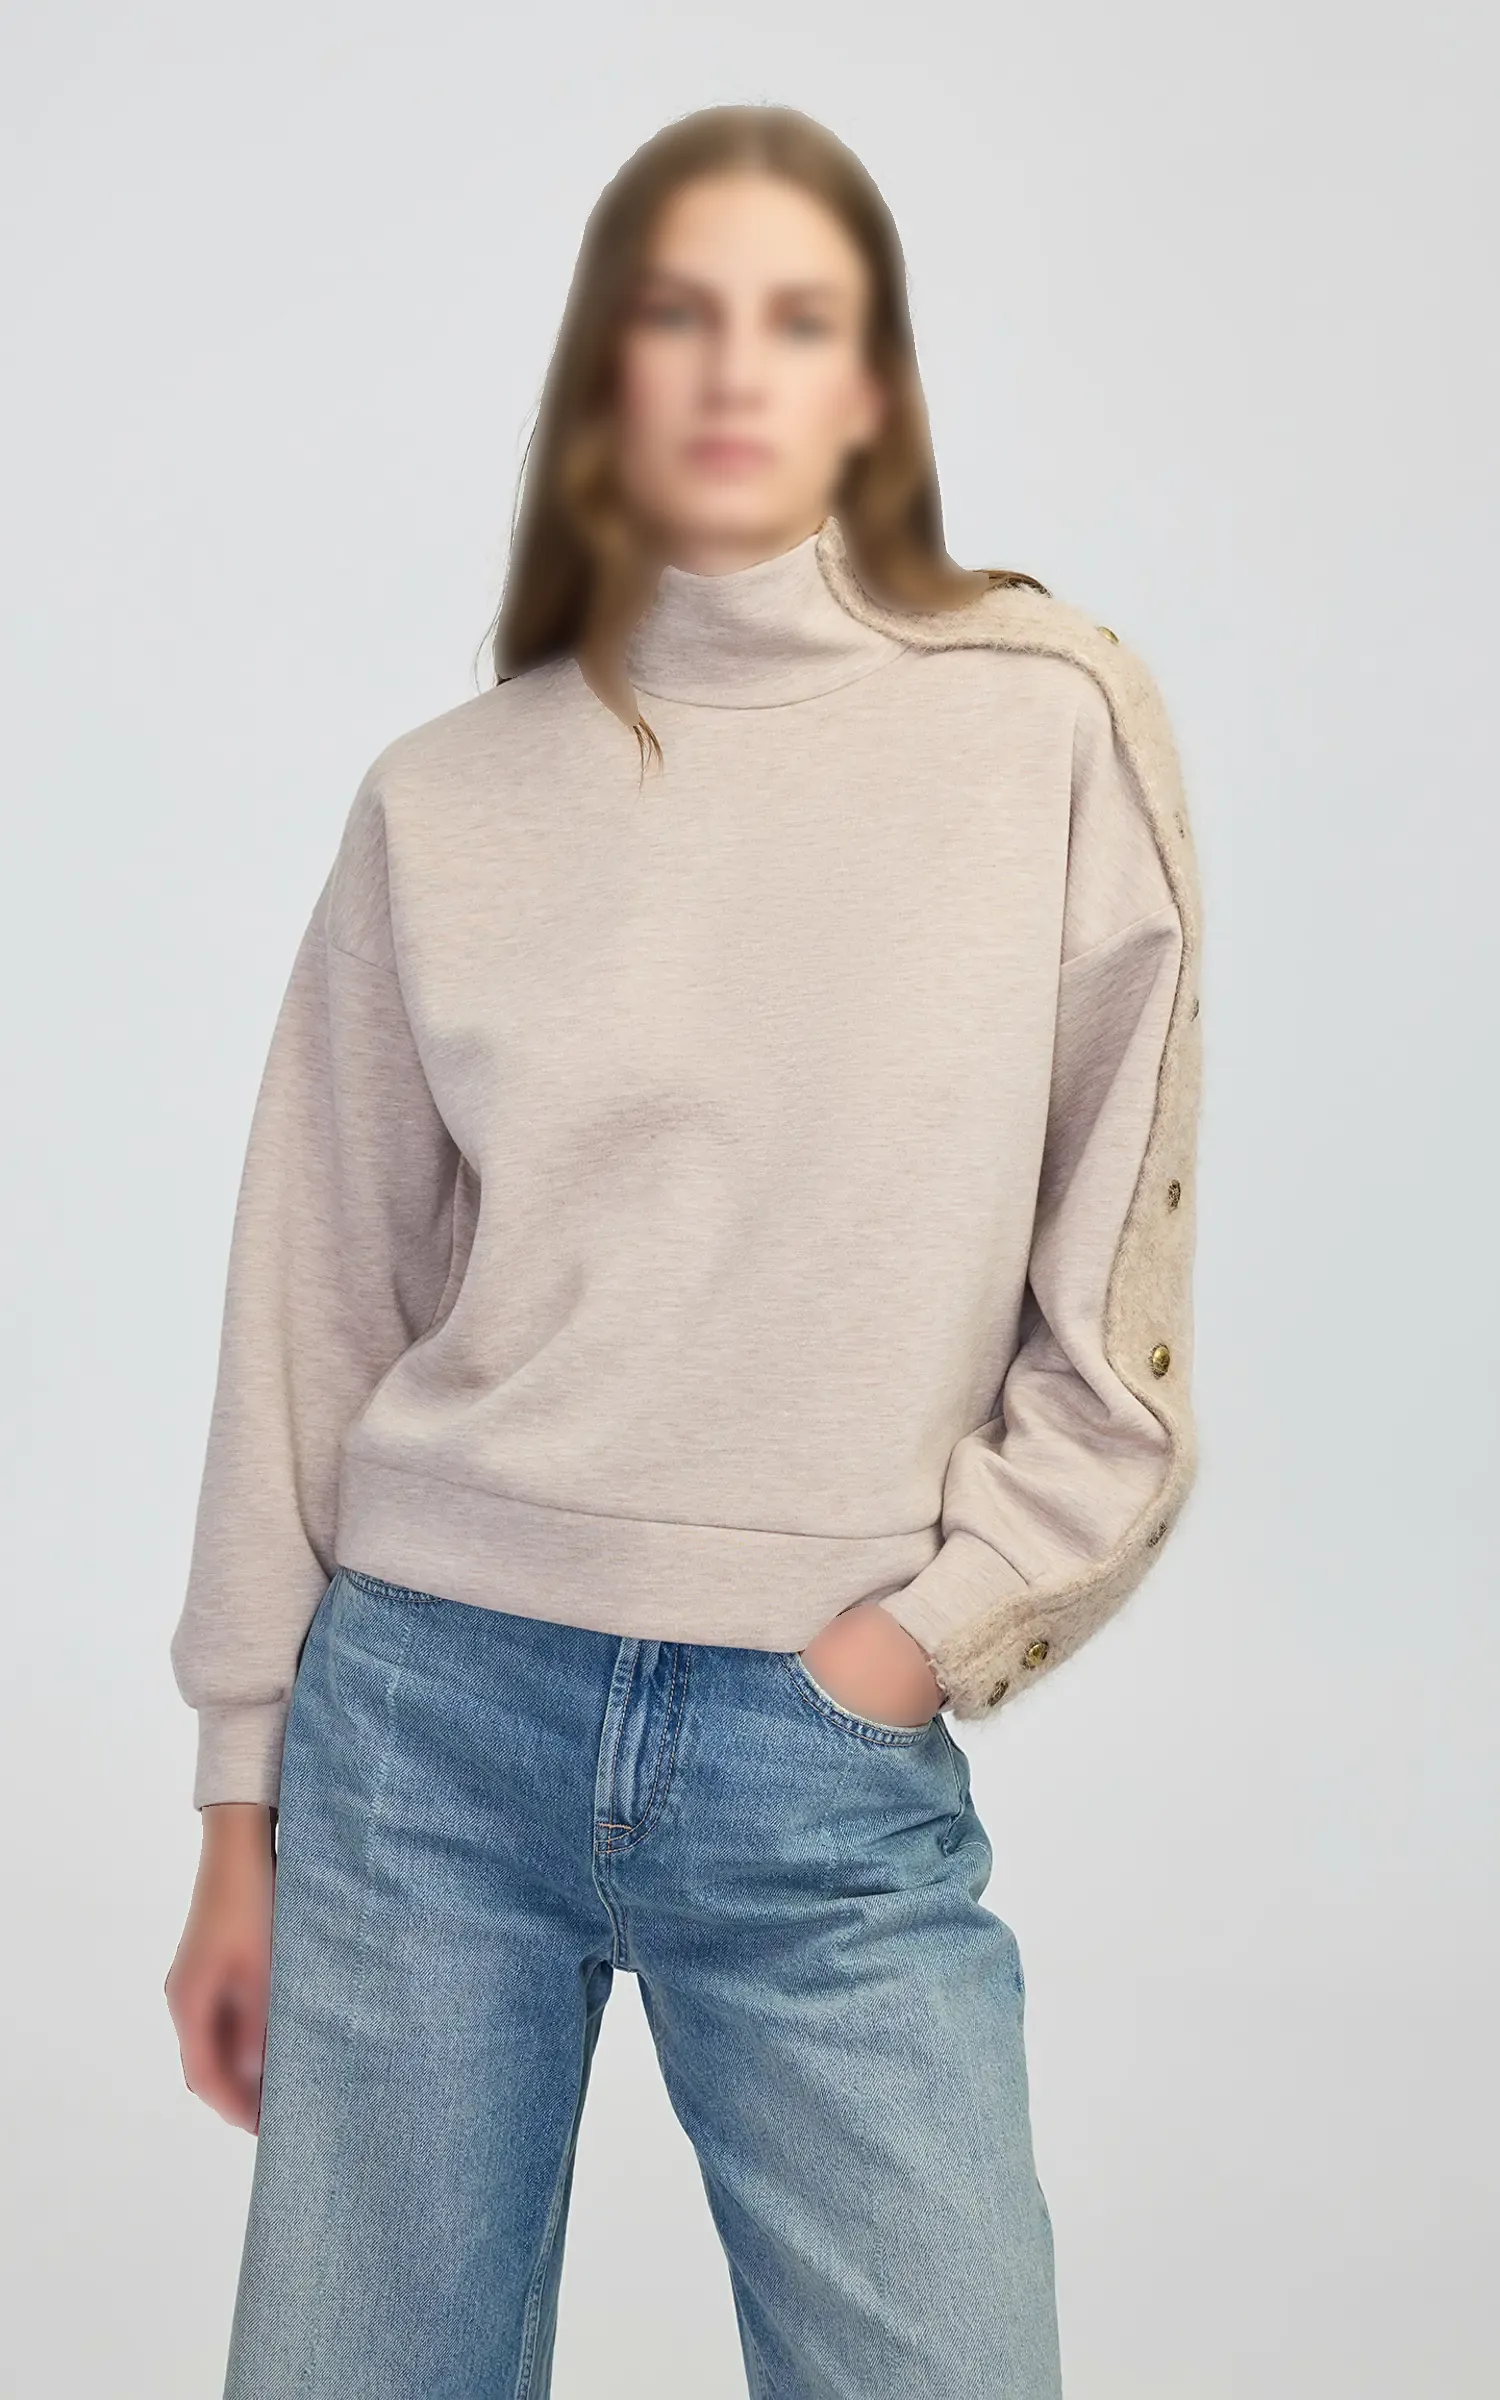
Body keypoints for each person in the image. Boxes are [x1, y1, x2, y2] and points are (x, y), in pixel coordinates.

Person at [164, 100, 1201, 2400]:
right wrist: (241, 1804)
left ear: (875, 390)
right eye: (679, 314)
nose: (737, 368)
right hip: (421, 1734)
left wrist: (917, 1641)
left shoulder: (1044, 725)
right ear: (604, 372)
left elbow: (1115, 1315)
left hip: (815, 1753)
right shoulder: (446, 795)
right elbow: (310, 1309)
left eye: (799, 320)